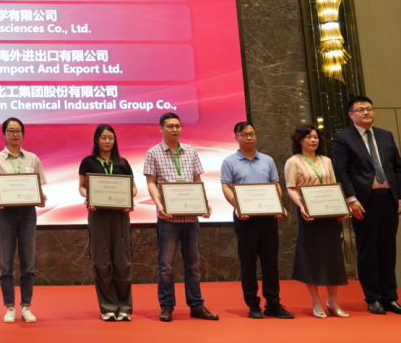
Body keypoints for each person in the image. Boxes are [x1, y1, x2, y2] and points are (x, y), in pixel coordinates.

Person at [332, 96, 401, 315]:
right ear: (351, 115)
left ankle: (390, 298)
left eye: (369, 109)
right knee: (368, 251)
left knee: (388, 249)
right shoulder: (342, 138)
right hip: (364, 201)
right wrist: (351, 199)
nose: (366, 112)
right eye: (360, 110)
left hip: (389, 199)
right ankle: (373, 298)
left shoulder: (386, 135)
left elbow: (398, 168)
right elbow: (341, 171)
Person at [144, 112, 218, 322]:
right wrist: (159, 205)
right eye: (170, 126)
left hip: (191, 218)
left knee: (193, 265)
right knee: (166, 266)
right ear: (161, 128)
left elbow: (197, 181)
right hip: (168, 218)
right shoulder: (153, 153)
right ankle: (167, 306)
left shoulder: (191, 151)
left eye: (178, 126)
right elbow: (151, 183)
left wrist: (204, 203)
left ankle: (196, 305)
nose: (175, 129)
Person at [219, 122, 294, 319]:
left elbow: (275, 184)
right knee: (248, 263)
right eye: (244, 134)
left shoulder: (267, 160)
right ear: (236, 137)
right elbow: (226, 187)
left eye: (252, 133)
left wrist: (278, 205)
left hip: (268, 217)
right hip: (245, 219)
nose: (249, 137)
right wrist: (237, 206)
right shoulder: (229, 162)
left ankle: (273, 303)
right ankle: (253, 304)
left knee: (271, 262)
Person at [0, 117, 47, 324]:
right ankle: (9, 306)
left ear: (23, 134)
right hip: (5, 215)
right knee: (5, 263)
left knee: (28, 263)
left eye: (18, 130)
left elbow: (38, 186)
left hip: (27, 214)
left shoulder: (32, 159)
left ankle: (26, 306)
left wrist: (41, 196)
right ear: (4, 134)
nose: (15, 134)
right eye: (11, 131)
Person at [285, 124, 349, 318]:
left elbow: (333, 186)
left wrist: (341, 207)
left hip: (328, 214)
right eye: (309, 137)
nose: (313, 140)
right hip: (308, 215)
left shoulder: (326, 161)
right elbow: (291, 188)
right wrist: (302, 206)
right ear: (299, 140)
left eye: (315, 137)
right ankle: (316, 301)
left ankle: (333, 301)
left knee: (332, 257)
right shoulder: (293, 162)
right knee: (312, 258)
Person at [78, 124, 136, 322]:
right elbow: (82, 187)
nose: (107, 141)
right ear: (96, 139)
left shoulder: (122, 163)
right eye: (103, 137)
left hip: (120, 215)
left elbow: (133, 188)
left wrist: (128, 199)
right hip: (98, 215)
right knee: (101, 261)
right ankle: (108, 307)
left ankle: (124, 307)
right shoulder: (88, 162)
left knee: (122, 261)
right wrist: (89, 197)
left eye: (111, 137)